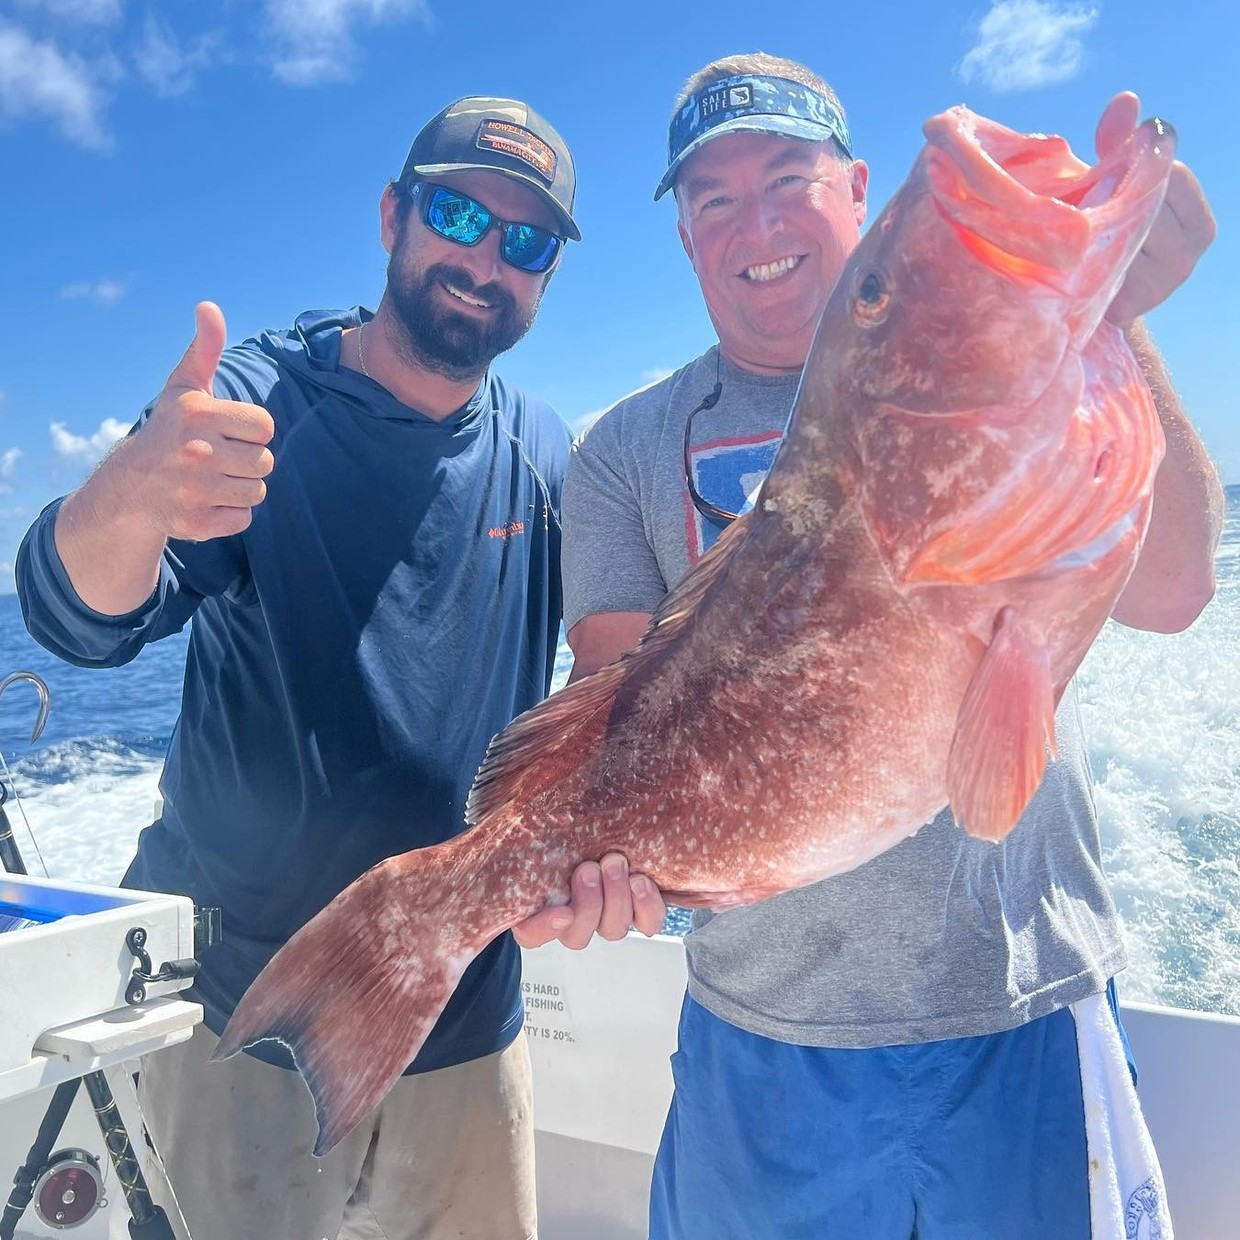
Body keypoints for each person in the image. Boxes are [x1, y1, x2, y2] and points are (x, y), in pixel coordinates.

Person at [517, 53, 1225, 1237]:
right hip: (761, 1048)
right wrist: (594, 864)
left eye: (787, 178)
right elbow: (620, 714)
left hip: (1026, 1006)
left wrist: (1109, 316)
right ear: (686, 238)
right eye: (715, 199)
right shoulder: (622, 452)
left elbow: (1171, 592)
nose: (757, 222)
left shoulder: (1046, 376)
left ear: (856, 191)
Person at [17, 94, 581, 1240]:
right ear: (393, 215)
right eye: (458, 212)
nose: (484, 258)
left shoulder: (549, 451)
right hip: (258, 1018)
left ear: (544, 279)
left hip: (467, 1016)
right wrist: (132, 486)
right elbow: (75, 618)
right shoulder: (254, 406)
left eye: (523, 241)